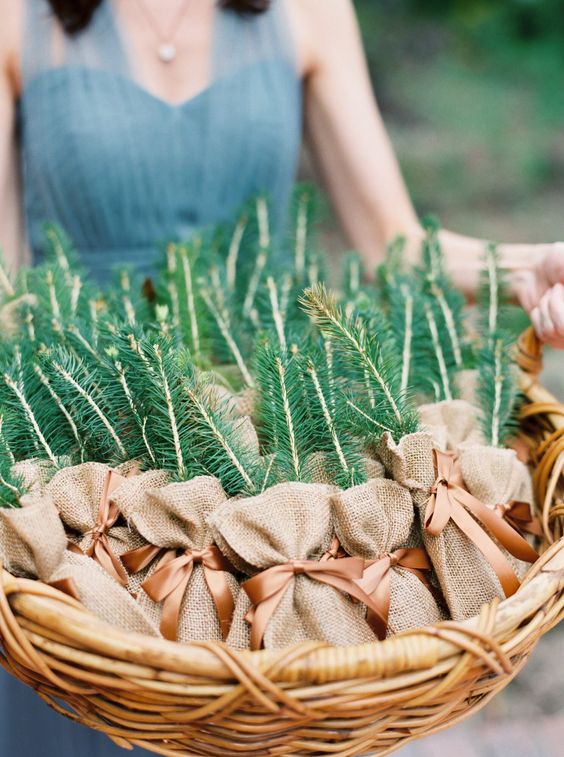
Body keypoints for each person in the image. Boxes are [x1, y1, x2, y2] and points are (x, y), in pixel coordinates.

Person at [0, 1, 562, 754]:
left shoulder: (308, 10)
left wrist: (529, 266)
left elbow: (389, 241)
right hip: (86, 426)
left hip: (268, 424)